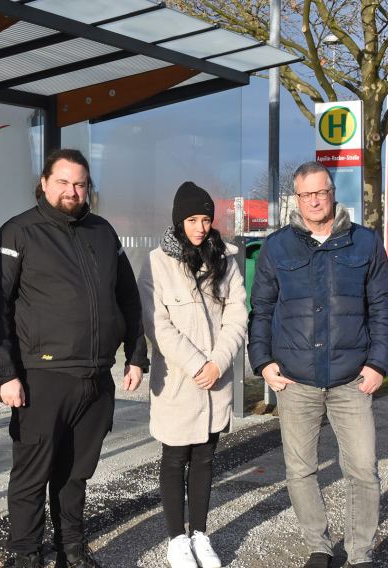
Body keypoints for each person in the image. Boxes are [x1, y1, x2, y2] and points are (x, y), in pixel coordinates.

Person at [0, 149, 148, 568]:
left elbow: (127, 296)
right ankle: (25, 555)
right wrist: (5, 372)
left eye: (80, 183)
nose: (73, 191)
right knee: (32, 476)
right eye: (64, 182)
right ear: (44, 181)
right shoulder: (17, 233)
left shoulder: (103, 232)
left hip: (94, 376)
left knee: (76, 474)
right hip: (41, 376)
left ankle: (71, 549)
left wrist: (136, 354)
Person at [248, 162, 388, 568]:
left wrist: (379, 363)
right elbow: (260, 310)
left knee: (363, 469)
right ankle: (319, 546)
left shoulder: (364, 242)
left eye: (322, 192)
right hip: (295, 381)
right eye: (306, 194)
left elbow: (384, 306)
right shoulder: (277, 247)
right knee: (300, 470)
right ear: (296, 199)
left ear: (333, 192)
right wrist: (262, 361)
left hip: (352, 378)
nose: (315, 200)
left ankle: (360, 553)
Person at [137, 182, 247, 568]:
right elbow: (157, 325)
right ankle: (176, 539)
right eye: (192, 219)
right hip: (179, 382)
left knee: (205, 458)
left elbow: (237, 315)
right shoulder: (156, 263)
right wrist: (197, 364)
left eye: (205, 219)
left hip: (216, 381)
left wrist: (218, 361)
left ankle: (200, 534)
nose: (200, 227)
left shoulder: (225, 261)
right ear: (178, 220)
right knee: (174, 457)